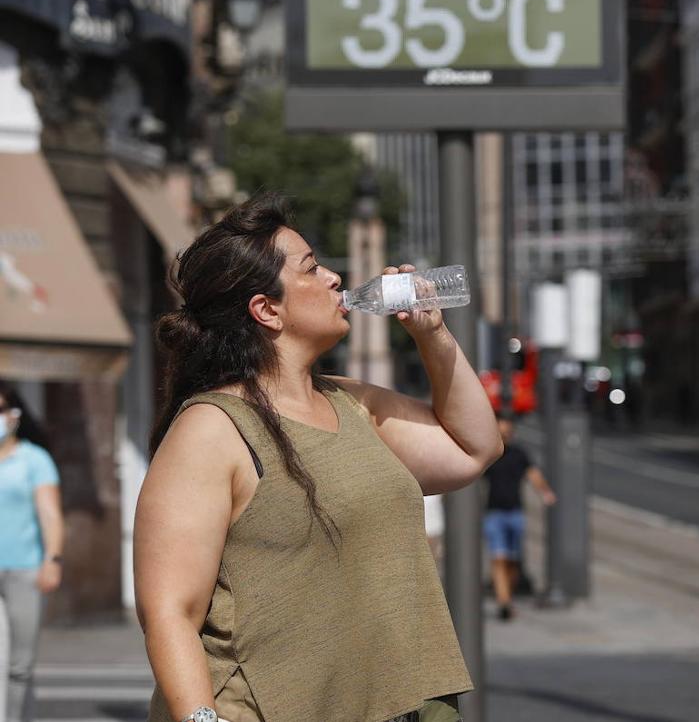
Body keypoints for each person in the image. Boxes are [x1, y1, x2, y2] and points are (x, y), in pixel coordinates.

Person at [133, 194, 502, 722]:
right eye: (311, 268)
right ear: (267, 310)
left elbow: (475, 449)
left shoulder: (352, 403)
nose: (334, 278)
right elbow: (169, 611)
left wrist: (434, 337)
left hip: (412, 702)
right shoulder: (212, 430)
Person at [0, 381, 64, 722]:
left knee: (20, 664)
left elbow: (50, 514)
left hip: (23, 570)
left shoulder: (34, 460)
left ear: (13, 416)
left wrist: (52, 559)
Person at [483, 416, 555, 621]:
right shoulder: (491, 456)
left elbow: (533, 474)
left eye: (507, 433)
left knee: (512, 562)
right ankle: (503, 602)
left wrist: (546, 492)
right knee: (498, 559)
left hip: (515, 513)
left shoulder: (518, 454)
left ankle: (508, 597)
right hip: (494, 513)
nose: (504, 436)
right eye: (500, 433)